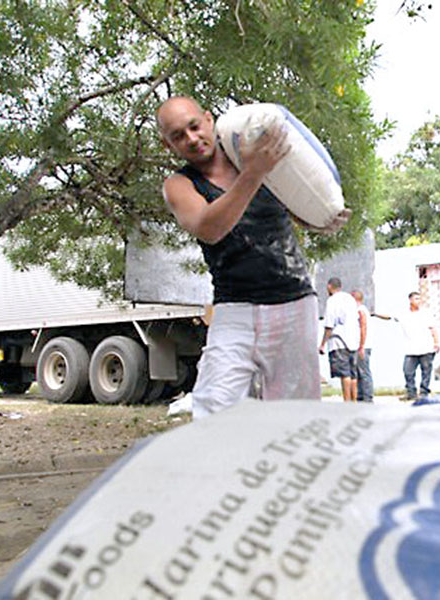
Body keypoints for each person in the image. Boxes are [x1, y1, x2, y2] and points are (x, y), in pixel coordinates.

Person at [156, 96, 349, 418]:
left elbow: (294, 207)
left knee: (294, 414)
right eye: (178, 135)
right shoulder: (179, 184)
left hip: (294, 300)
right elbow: (209, 228)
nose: (191, 138)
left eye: (194, 126)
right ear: (167, 144)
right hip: (235, 308)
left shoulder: (252, 156)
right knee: (215, 405)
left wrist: (323, 218)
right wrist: (253, 173)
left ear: (208, 119)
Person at [319, 278, 361, 402]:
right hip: (353, 340)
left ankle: (346, 401)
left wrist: (322, 344)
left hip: (339, 341)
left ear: (329, 286)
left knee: (344, 373)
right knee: (353, 373)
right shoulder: (350, 299)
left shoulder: (332, 301)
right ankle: (354, 400)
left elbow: (329, 324)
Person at [398, 291, 440, 401]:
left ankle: (424, 392)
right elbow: (389, 317)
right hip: (411, 348)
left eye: (420, 299)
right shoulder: (404, 314)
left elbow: (433, 329)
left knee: (426, 371)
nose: (419, 301)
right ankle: (411, 392)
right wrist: (374, 314)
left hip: (426, 347)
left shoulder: (426, 313)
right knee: (408, 371)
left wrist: (436, 343)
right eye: (416, 299)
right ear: (410, 300)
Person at [351, 290, 374, 402]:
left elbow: (363, 327)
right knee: (358, 372)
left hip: (363, 345)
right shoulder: (360, 310)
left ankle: (367, 396)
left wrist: (361, 346)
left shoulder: (360, 310)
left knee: (364, 372)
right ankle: (360, 395)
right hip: (360, 345)